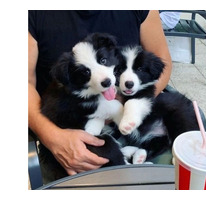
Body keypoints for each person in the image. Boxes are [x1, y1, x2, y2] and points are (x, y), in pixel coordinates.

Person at [28, 10, 172, 176]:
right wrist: (53, 137)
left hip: (132, 112)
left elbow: (163, 62)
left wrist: (134, 104)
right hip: (66, 129)